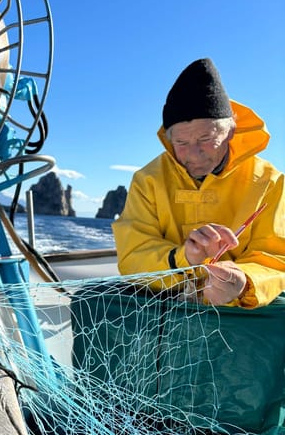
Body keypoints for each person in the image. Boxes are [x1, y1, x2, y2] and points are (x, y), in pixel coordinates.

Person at [112, 58, 285, 308]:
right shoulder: (147, 180)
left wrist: (243, 282)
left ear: (231, 131)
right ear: (169, 140)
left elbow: (276, 258)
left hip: (240, 316)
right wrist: (185, 258)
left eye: (206, 138)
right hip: (166, 307)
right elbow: (133, 254)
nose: (194, 154)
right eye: (181, 143)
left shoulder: (270, 181)